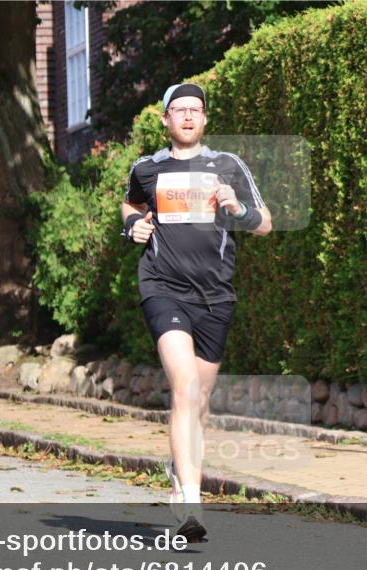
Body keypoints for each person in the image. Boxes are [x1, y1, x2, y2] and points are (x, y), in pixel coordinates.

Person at [120, 83, 272, 541]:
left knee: (199, 401)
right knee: (185, 387)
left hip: (215, 296)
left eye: (196, 110)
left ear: (205, 119)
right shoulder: (147, 168)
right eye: (179, 110)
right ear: (165, 119)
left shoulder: (227, 166)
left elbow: (264, 223)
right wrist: (134, 225)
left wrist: (237, 208)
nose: (188, 116)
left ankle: (179, 468)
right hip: (163, 288)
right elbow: (130, 204)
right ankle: (190, 501)